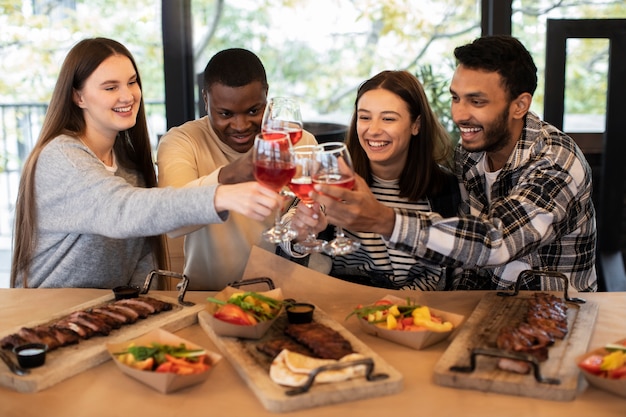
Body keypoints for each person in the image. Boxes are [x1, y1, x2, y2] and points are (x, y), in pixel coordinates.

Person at [304, 35, 598, 292]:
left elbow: (496, 241)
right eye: (455, 98)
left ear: (519, 105)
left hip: (554, 312)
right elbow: (465, 254)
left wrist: (385, 220)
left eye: (476, 101)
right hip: (481, 308)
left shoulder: (556, 162)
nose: (459, 114)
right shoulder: (471, 151)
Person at [10, 38, 282, 289]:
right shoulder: (62, 156)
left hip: (108, 316)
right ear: (78, 96)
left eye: (131, 82)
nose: (128, 96)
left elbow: (142, 260)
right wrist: (221, 194)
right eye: (110, 87)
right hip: (49, 319)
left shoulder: (128, 163)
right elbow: (121, 210)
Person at [156, 48, 317, 290]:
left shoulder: (300, 142)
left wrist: (304, 226)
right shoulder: (182, 141)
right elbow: (172, 222)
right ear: (206, 99)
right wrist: (231, 173)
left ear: (267, 95)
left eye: (254, 111)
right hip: (206, 295)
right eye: (225, 114)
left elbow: (304, 221)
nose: (241, 126)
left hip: (285, 295)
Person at [284, 70, 460, 290]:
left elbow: (440, 273)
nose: (373, 130)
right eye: (365, 117)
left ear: (416, 125)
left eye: (388, 119)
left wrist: (392, 308)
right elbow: (290, 229)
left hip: (412, 310)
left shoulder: (445, 188)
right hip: (338, 301)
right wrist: (301, 231)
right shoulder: (334, 174)